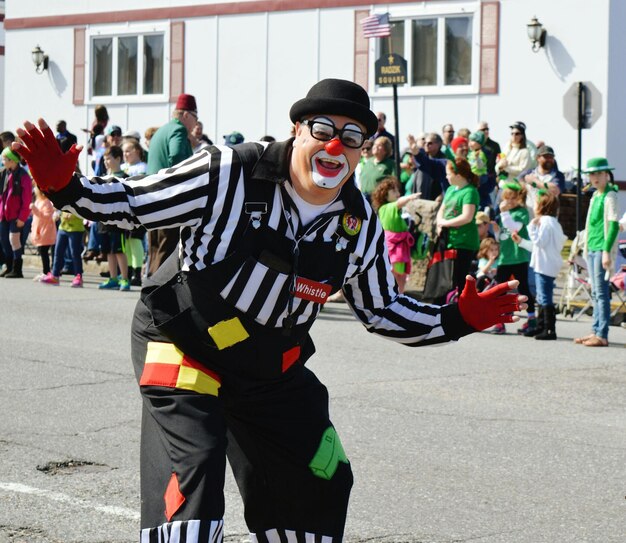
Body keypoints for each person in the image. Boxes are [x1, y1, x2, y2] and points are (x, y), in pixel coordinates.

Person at [14, 78, 525, 543]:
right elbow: (135, 204)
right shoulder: (227, 171)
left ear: (361, 151)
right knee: (192, 493)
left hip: (270, 370)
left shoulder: (359, 221)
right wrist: (68, 189)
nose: (333, 146)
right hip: (185, 344)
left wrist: (457, 319)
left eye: (351, 138)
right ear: (296, 130)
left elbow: (382, 310)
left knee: (321, 481)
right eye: (322, 128)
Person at [146, 93, 197, 276]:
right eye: (195, 118)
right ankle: (156, 294)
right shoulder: (179, 130)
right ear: (186, 115)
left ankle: (149, 288)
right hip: (169, 196)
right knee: (167, 248)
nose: (195, 124)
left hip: (151, 196)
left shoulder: (161, 130)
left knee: (154, 247)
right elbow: (175, 156)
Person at [574, 157, 620, 347]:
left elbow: (614, 225)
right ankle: (595, 330)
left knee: (601, 293)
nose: (594, 178)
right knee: (595, 292)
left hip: (602, 248)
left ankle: (602, 334)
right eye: (592, 174)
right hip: (592, 246)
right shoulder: (596, 196)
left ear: (606, 175)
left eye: (598, 174)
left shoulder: (610, 195)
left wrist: (607, 251)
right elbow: (591, 224)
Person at [511, 192, 566, 340]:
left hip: (545, 265)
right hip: (546, 264)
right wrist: (521, 241)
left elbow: (539, 242)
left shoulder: (545, 222)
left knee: (544, 297)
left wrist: (531, 228)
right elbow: (539, 247)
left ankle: (548, 329)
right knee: (542, 296)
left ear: (542, 206)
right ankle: (541, 326)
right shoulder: (552, 222)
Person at [492, 182, 536, 335]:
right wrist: (497, 232)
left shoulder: (521, 212)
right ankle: (500, 319)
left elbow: (514, 228)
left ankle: (531, 318)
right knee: (500, 291)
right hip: (504, 258)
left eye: (513, 198)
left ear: (518, 198)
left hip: (519, 257)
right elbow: (502, 236)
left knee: (523, 288)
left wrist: (504, 213)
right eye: (507, 197)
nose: (509, 201)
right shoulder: (503, 214)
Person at [435, 157, 480, 296]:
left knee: (460, 279)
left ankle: (462, 312)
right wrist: (439, 223)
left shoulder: (470, 192)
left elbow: (467, 217)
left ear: (458, 175)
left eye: (449, 174)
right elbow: (442, 209)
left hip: (464, 242)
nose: (446, 176)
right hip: (448, 241)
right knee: (448, 279)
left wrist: (445, 223)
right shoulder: (450, 190)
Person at [371, 176, 420, 293]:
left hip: (398, 247)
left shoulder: (390, 209)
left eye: (397, 190)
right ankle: (395, 297)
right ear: (384, 194)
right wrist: (410, 197)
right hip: (393, 248)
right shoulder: (386, 208)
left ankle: (397, 296)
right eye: (393, 191)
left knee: (399, 275)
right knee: (396, 275)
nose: (398, 193)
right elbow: (399, 203)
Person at [98, 146, 131, 291]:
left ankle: (124, 279)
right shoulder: (103, 177)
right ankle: (112, 278)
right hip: (104, 220)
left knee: (119, 250)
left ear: (118, 159)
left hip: (118, 221)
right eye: (104, 159)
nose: (106, 161)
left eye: (108, 158)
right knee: (108, 251)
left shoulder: (124, 177)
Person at [0, 147, 32, 278]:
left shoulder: (24, 175)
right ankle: (9, 267)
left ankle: (17, 269)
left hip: (16, 215)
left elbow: (27, 199)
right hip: (4, 214)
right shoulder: (4, 173)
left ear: (12, 161)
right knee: (4, 241)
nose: (3, 161)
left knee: (14, 240)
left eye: (4, 159)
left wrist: (22, 217)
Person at [39, 208, 85, 288]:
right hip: (63, 227)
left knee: (75, 253)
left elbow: (83, 209)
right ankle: (55, 275)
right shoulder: (65, 195)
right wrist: (57, 213)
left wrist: (74, 214)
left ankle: (78, 277)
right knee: (58, 252)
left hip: (76, 228)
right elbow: (60, 206)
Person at [517, 145, 565, 215]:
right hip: (529, 215)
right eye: (546, 157)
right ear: (538, 158)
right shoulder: (528, 173)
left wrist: (535, 182)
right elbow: (516, 185)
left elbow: (555, 190)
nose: (549, 159)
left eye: (551, 157)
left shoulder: (558, 175)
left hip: (547, 216)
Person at [406, 132, 448, 200]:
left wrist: (442, 195)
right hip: (421, 200)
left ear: (439, 144)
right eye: (425, 143)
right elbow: (422, 160)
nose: (426, 145)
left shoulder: (443, 162)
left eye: (430, 143)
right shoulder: (424, 158)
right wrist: (414, 149)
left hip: (437, 202)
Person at [30, 185, 57, 281]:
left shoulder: (47, 203)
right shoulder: (38, 201)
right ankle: (46, 271)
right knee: (42, 252)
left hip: (45, 231)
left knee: (44, 252)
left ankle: (46, 272)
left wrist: (35, 210)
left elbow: (47, 217)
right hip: (39, 231)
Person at [358, 135, 395, 200]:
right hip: (363, 197)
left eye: (379, 145)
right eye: (375, 144)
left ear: (386, 150)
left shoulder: (390, 164)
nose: (375, 147)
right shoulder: (369, 161)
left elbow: (394, 183)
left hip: (378, 199)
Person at [468, 131, 492, 210]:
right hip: (473, 175)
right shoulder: (471, 153)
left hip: (481, 175)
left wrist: (477, 158)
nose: (470, 143)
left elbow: (481, 166)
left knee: (476, 190)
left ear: (479, 143)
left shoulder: (481, 154)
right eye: (469, 141)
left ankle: (478, 204)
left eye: (472, 141)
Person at [477, 121, 501, 197]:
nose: (486, 131)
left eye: (487, 129)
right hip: (476, 180)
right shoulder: (474, 144)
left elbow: (499, 162)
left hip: (490, 180)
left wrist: (497, 181)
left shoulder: (495, 145)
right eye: (483, 129)